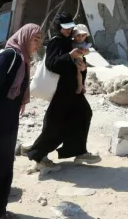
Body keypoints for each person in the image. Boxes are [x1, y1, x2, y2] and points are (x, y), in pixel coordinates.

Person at [0, 24, 42, 219]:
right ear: (25, 37)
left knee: (2, 167)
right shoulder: (9, 57)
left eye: (40, 40)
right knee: (1, 169)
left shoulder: (23, 60)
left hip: (8, 123)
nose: (38, 44)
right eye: (35, 39)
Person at [25, 13, 101, 171]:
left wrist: (83, 68)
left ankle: (78, 151)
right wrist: (69, 56)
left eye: (69, 28)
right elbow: (52, 64)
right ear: (58, 28)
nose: (68, 31)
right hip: (62, 90)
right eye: (65, 28)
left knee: (83, 115)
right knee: (55, 123)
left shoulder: (70, 42)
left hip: (73, 90)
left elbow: (77, 66)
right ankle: (38, 156)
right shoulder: (57, 42)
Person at [71, 24, 91, 95]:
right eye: (78, 35)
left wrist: (85, 52)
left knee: (79, 71)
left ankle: (80, 86)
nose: (80, 37)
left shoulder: (84, 44)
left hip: (79, 59)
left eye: (83, 35)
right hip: (71, 58)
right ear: (74, 35)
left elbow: (88, 51)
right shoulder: (72, 42)